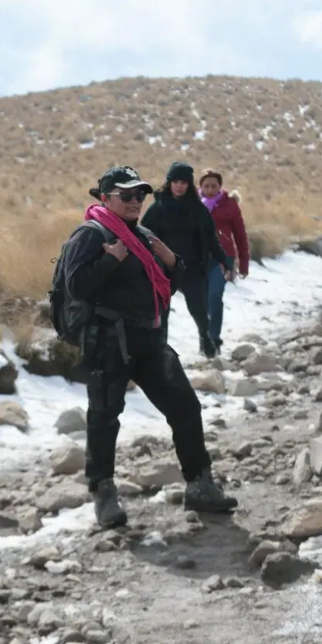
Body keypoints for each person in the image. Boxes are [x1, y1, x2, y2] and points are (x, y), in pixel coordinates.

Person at [62, 165, 238, 528]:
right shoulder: (90, 235)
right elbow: (76, 286)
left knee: (186, 406)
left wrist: (173, 264)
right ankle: (104, 494)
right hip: (108, 343)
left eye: (139, 194)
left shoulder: (141, 236)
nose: (134, 201)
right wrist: (111, 258)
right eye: (125, 195)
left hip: (149, 339)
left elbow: (163, 289)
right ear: (105, 198)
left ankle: (200, 484)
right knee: (104, 418)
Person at [140, 161, 231, 358]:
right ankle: (161, 350)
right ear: (169, 183)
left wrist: (224, 261)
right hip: (163, 268)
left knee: (198, 308)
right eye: (175, 181)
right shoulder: (158, 208)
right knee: (162, 310)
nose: (179, 186)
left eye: (184, 182)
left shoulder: (198, 210)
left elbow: (211, 238)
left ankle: (205, 338)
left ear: (189, 185)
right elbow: (142, 235)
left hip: (192, 267)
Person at [198, 170, 250, 354]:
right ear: (200, 187)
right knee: (202, 302)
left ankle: (214, 341)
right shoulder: (193, 205)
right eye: (206, 186)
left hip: (223, 258)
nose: (210, 189)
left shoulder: (230, 205)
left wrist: (243, 263)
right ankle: (204, 341)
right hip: (199, 258)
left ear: (220, 186)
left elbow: (240, 235)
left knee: (215, 296)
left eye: (214, 186)